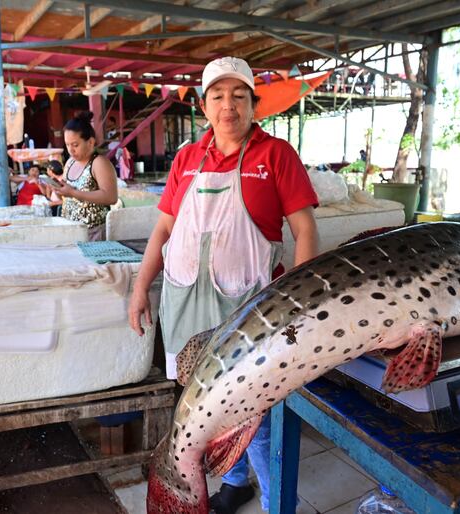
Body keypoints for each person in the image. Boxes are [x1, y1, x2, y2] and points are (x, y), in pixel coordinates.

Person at [127, 56, 320, 513]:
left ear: (254, 104)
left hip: (246, 310)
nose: (227, 104)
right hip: (186, 303)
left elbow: (306, 231)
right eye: (217, 95)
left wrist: (300, 304)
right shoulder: (187, 159)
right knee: (205, 409)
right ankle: (235, 484)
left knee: (256, 419)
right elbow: (163, 231)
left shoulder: (275, 156)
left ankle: (277, 504)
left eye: (238, 95)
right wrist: (140, 288)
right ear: (204, 104)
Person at [50, 111, 117, 240]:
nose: (70, 150)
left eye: (75, 145)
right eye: (67, 145)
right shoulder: (70, 162)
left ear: (91, 142)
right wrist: (59, 189)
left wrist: (74, 193)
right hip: (70, 231)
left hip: (94, 233)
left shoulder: (99, 163)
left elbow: (111, 197)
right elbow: (68, 191)